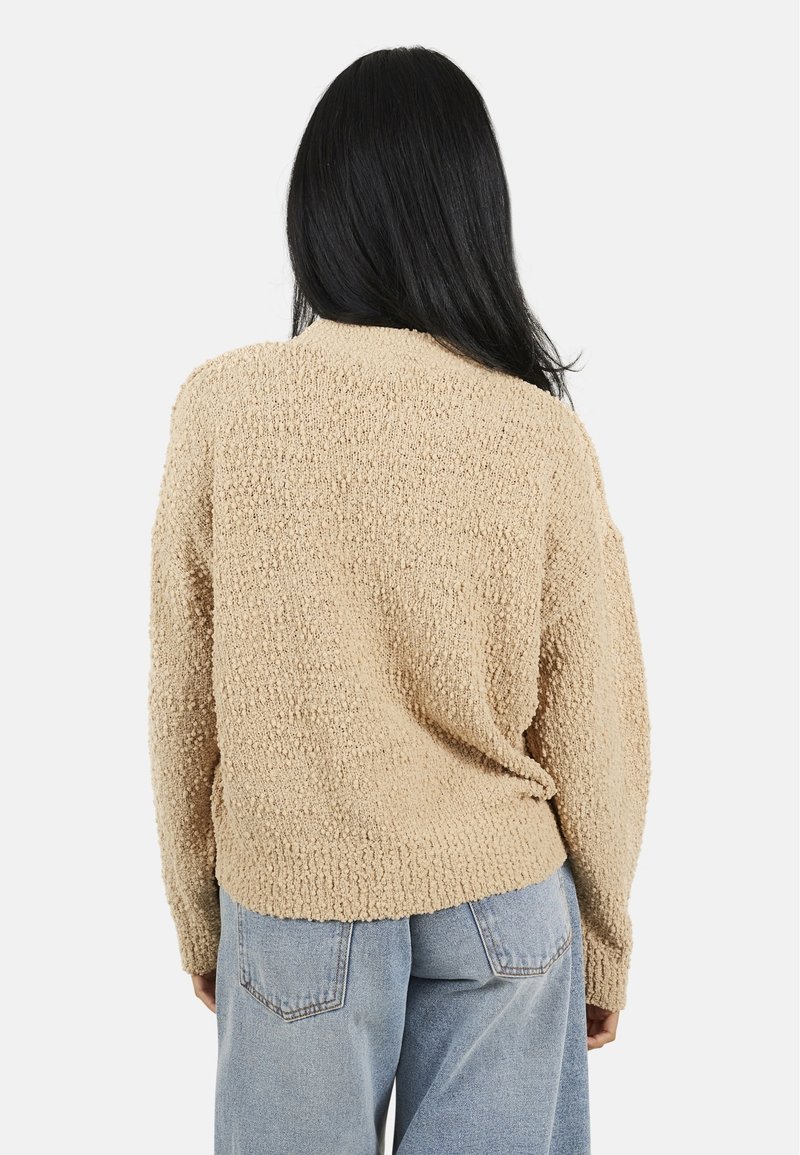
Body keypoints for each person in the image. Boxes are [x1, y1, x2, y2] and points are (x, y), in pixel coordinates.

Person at [148, 45, 652, 1155]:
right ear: (473, 220)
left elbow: (184, 692)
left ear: (314, 216)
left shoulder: (225, 408)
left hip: (295, 896)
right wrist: (604, 936)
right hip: (506, 904)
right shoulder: (539, 435)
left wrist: (201, 915)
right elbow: (595, 719)